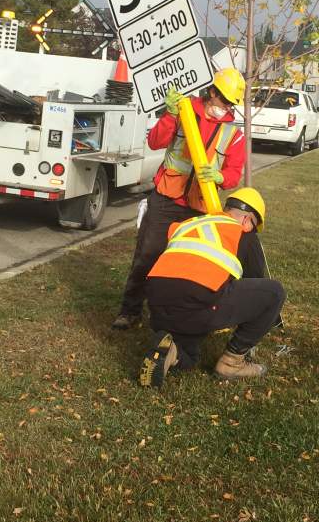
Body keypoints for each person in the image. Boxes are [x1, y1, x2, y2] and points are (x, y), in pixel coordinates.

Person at [111, 68, 256, 330]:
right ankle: (130, 311)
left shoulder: (233, 134)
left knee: (188, 263)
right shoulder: (184, 109)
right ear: (212, 92)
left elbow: (234, 172)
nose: (226, 107)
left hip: (200, 208)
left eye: (231, 104)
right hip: (167, 197)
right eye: (223, 100)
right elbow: (155, 142)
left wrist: (220, 177)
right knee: (148, 256)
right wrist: (170, 116)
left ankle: (171, 316)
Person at [138, 188, 284, 387]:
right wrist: (268, 319)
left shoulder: (189, 224)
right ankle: (232, 363)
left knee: (190, 356)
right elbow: (255, 282)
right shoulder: (242, 233)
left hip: (157, 308)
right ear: (246, 220)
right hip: (197, 306)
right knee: (274, 293)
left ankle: (171, 350)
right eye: (253, 225)